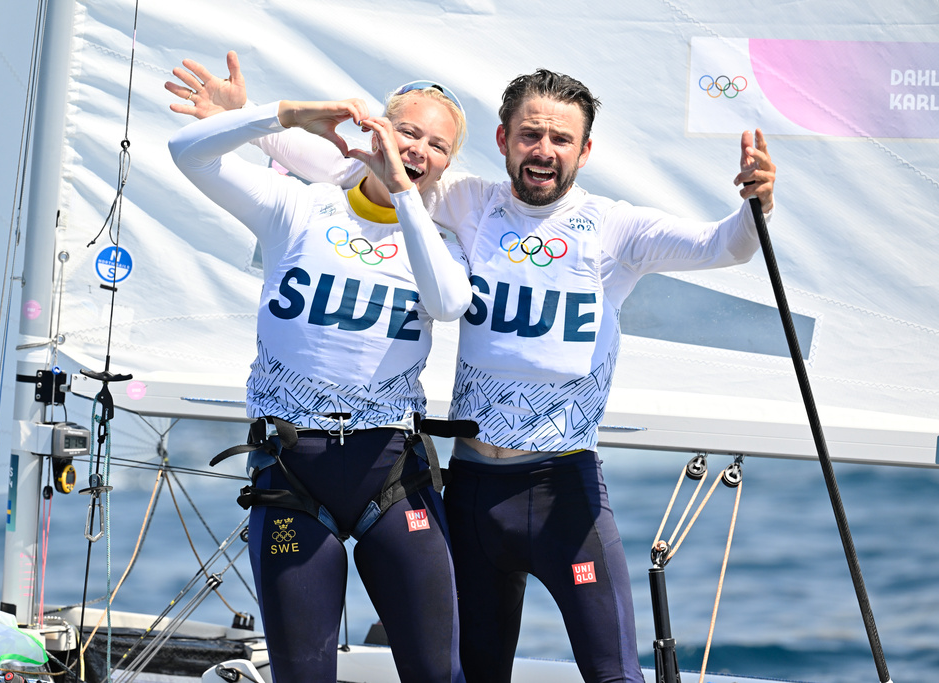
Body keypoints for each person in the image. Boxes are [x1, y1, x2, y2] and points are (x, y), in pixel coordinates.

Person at [173, 58, 776, 683]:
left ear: (585, 149)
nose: (544, 151)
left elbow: (723, 247)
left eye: (561, 139)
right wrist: (249, 122)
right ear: (503, 141)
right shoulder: (467, 203)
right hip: (471, 489)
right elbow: (362, 161)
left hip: (565, 488)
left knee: (615, 675)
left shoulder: (614, 227)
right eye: (530, 135)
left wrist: (754, 204)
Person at [167, 57, 473, 682]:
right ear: (375, 130)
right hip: (292, 472)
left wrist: (406, 197)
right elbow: (187, 151)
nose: (416, 149)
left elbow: (447, 303)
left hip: (391, 471)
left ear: (447, 164)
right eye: (406, 132)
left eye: (436, 146)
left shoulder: (443, 239)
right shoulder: (299, 208)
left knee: (437, 675)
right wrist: (285, 117)